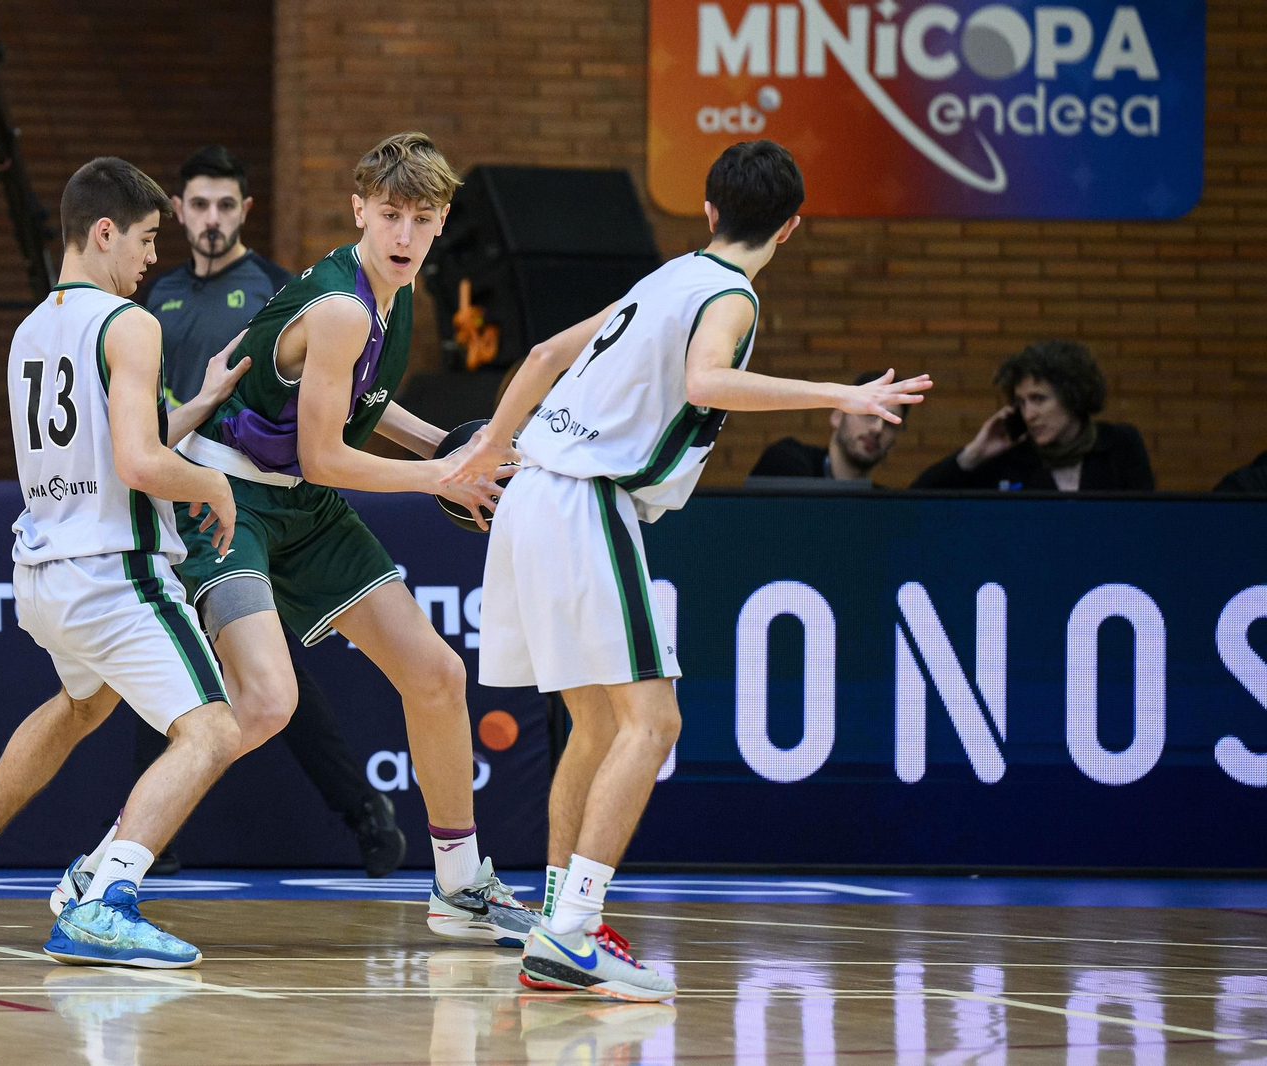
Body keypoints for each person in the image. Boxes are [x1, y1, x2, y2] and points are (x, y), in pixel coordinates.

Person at [443, 139, 931, 1000]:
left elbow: (543, 353)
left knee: (595, 727)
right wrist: (840, 394)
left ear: (708, 213)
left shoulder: (664, 278)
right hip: (585, 500)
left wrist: (484, 449)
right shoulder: (730, 294)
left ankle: (562, 919)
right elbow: (707, 385)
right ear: (792, 227)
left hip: (531, 495)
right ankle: (574, 932)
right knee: (653, 724)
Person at [55, 132, 538, 946]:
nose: (404, 236)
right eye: (389, 215)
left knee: (437, 675)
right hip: (229, 496)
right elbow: (325, 452)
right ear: (359, 210)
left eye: (422, 220)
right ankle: (107, 867)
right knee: (267, 702)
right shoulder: (345, 307)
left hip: (302, 504)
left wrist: (441, 447)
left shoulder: (395, 290)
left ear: (442, 220)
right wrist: (442, 478)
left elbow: (356, 406)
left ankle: (459, 885)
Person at [0, 157, 247, 968]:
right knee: (214, 730)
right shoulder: (131, 324)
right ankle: (106, 898)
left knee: (80, 704)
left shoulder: (33, 328)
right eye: (147, 239)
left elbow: (115, 435)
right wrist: (213, 488)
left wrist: (194, 407)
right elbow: (138, 464)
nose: (152, 258)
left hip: (43, 567)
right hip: (110, 570)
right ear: (104, 232)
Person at [136, 144, 405, 878]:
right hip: (171, 490)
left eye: (226, 205)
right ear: (179, 213)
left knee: (277, 682)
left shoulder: (284, 291)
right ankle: (137, 844)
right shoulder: (154, 298)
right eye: (198, 205)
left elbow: (339, 404)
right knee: (162, 665)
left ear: (245, 211)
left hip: (257, 495)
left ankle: (361, 808)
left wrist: (438, 454)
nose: (212, 219)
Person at [912, 340, 1152, 491]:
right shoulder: (1013, 457)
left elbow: (1145, 525)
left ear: (1073, 396)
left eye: (1038, 399)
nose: (1028, 414)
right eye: (1021, 403)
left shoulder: (1119, 445)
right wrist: (974, 453)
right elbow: (914, 502)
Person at [747, 369, 907, 483]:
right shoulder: (787, 461)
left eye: (890, 423)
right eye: (869, 412)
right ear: (837, 416)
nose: (877, 429)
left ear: (894, 442)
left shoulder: (886, 509)